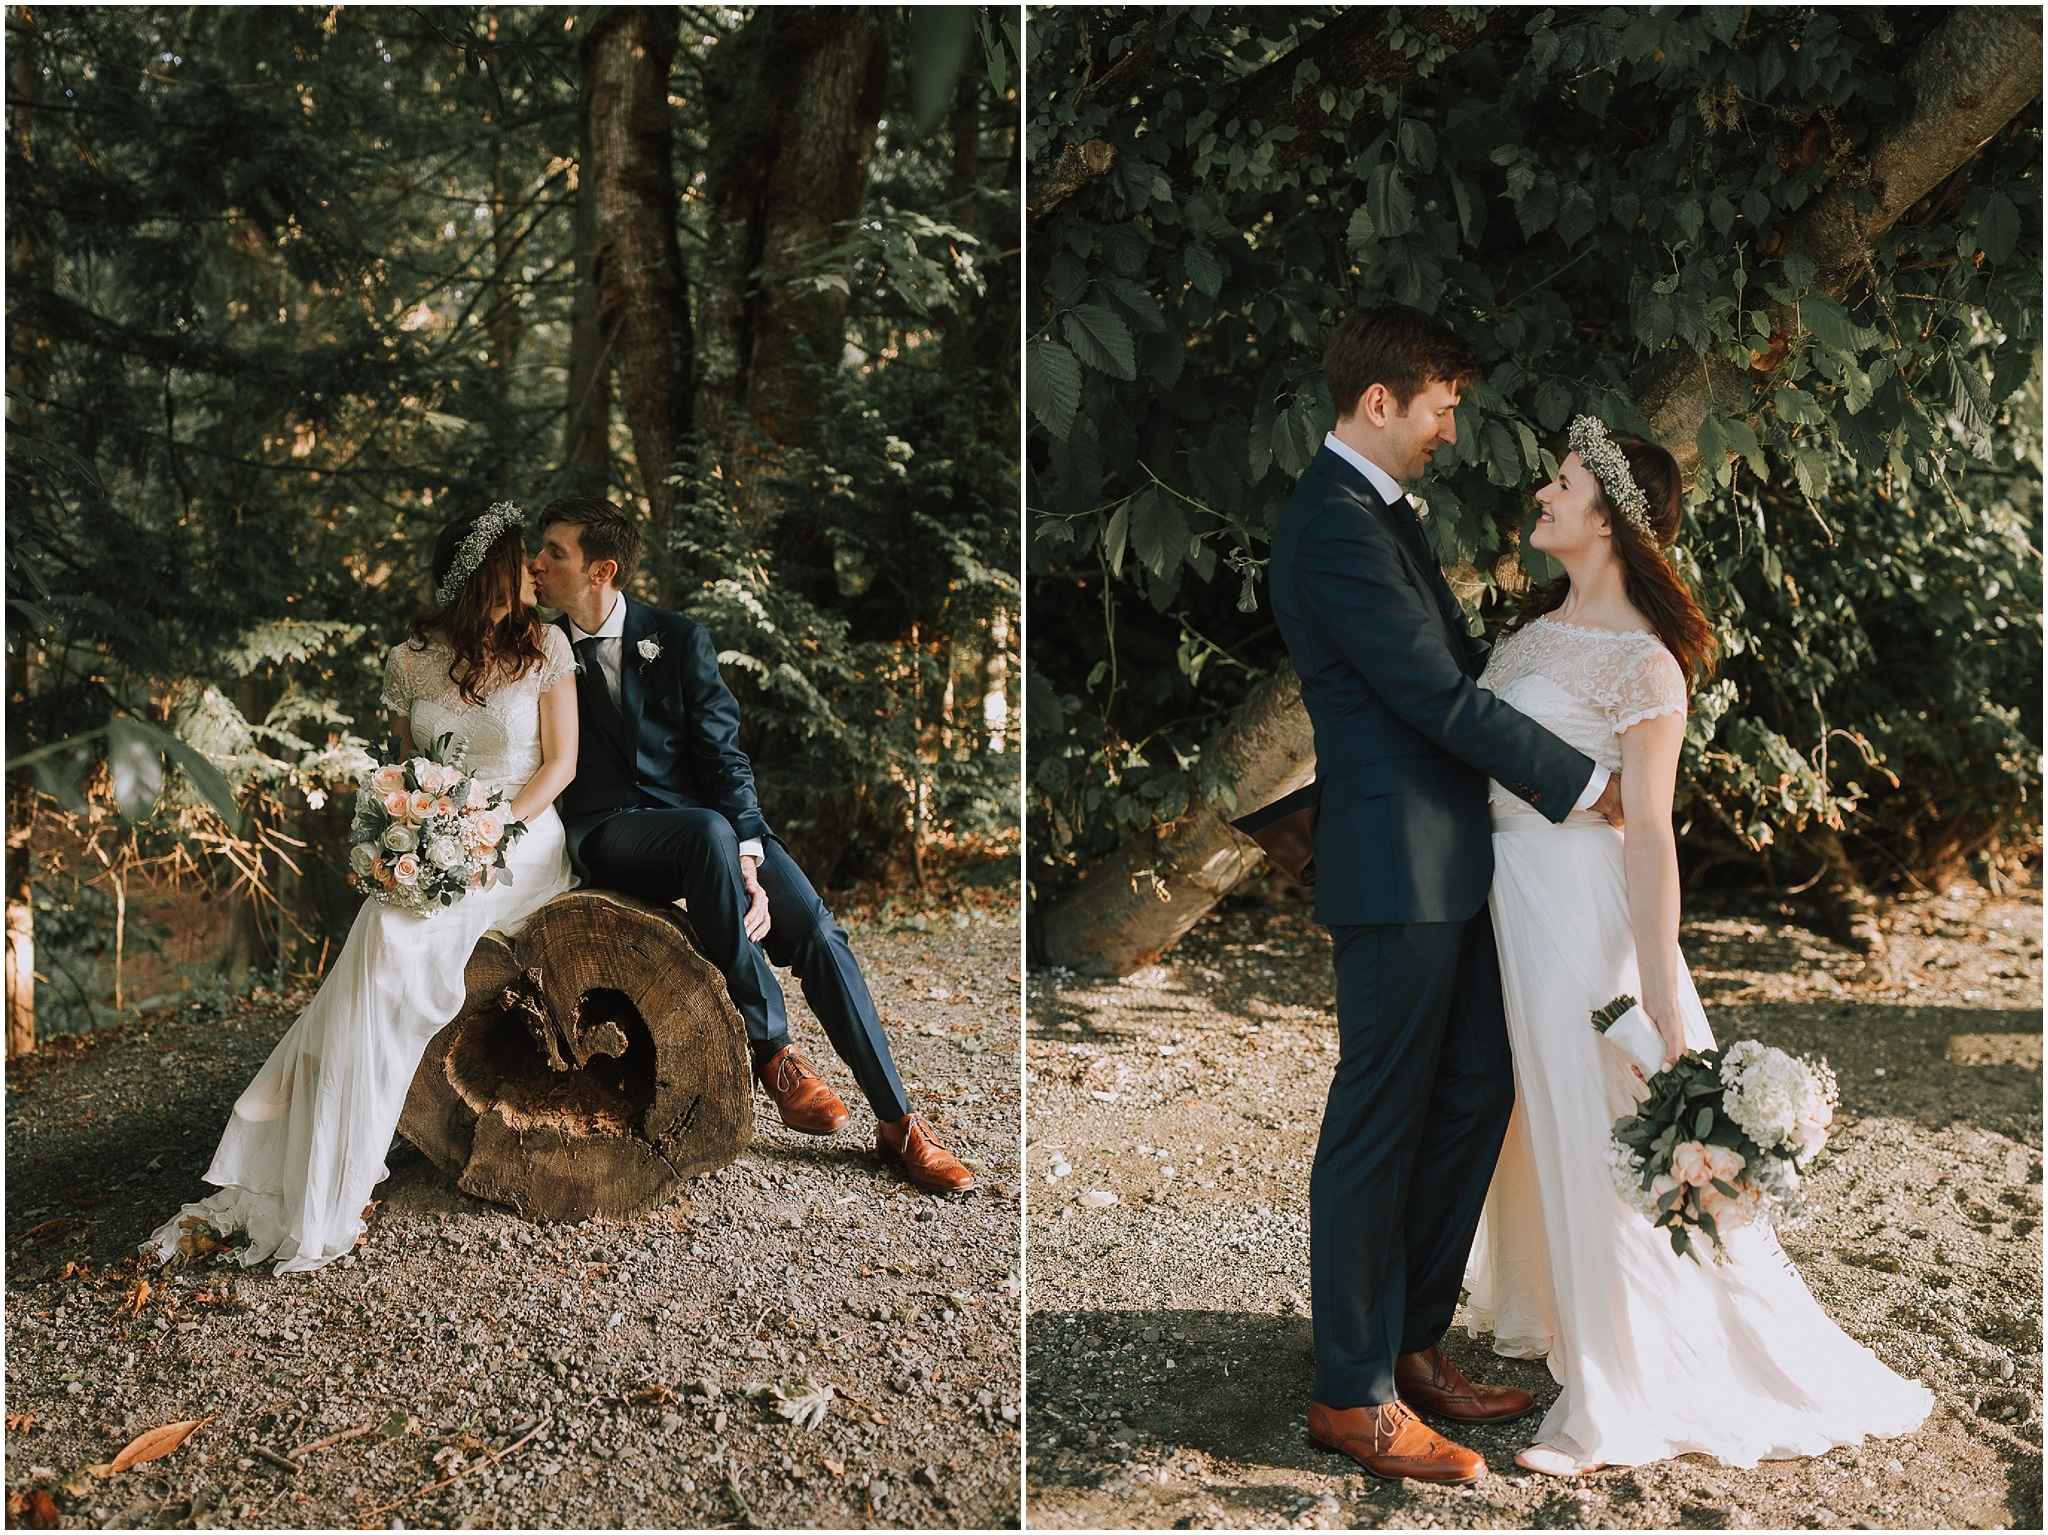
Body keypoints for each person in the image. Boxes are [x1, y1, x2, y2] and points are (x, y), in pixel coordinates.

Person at [1461, 416, 1933, 1474]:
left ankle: (1619, 1392)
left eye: (1565, 480)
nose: (1542, 490)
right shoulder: (1528, 633)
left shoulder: (1645, 664)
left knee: (1597, 1124)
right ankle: (1563, 1315)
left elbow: (1649, 831)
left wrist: (1663, 998)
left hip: (1578, 913)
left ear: (1612, 519)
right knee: (1530, 1118)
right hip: (1500, 897)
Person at [1268, 304, 1627, 1484]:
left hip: (1450, 858)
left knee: (1477, 1080)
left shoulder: (1381, 515)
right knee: (1374, 1120)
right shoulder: (1330, 524)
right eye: (1441, 404)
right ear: (1381, 402)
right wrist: (1579, 783)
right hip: (1393, 866)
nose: (1448, 427)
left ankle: (1411, 1338)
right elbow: (1431, 695)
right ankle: (1350, 1391)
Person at [149, 504, 580, 1273]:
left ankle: (303, 1130)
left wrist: (489, 826)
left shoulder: (545, 647)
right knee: (385, 928)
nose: (534, 572)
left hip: (523, 836)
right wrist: (420, 829)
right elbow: (406, 773)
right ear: (488, 574)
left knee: (388, 936)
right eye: (521, 562)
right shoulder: (411, 659)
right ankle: (322, 1165)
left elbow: (561, 766)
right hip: (441, 840)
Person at [527, 496, 973, 1193]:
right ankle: (775, 1051)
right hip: (610, 831)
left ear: (601, 570)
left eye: (555, 551)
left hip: (709, 828)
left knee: (819, 931)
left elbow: (724, 760)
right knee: (706, 831)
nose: (537, 562)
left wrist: (750, 857)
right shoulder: (539, 650)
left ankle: (900, 1123)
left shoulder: (677, 639)